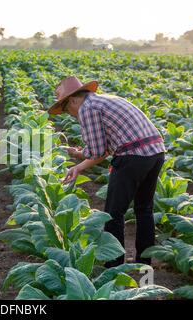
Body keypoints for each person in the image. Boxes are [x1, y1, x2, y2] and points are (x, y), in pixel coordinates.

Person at [48, 76, 166, 267]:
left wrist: (77, 155)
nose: (68, 114)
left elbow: (97, 151)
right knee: (144, 210)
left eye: (65, 108)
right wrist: (79, 164)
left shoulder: (87, 108)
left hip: (133, 156)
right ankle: (144, 262)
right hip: (156, 151)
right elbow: (105, 150)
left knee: (113, 213)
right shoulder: (106, 99)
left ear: (73, 100)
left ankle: (114, 265)